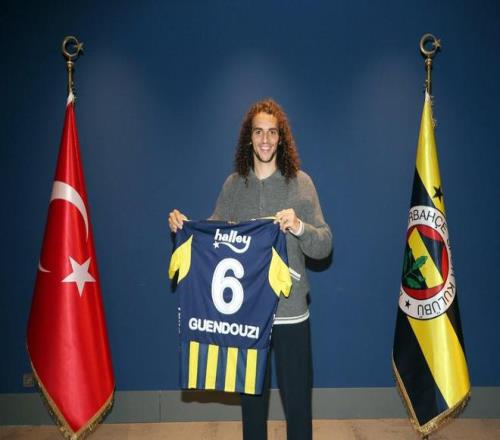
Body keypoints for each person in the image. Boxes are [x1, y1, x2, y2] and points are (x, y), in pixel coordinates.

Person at [168, 99, 332, 440]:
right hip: (247, 318)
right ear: (249, 138)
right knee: (252, 409)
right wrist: (184, 228)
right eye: (258, 132)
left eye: (272, 132)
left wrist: (299, 226)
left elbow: (324, 245)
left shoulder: (301, 184)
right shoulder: (234, 185)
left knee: (298, 406)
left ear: (281, 138)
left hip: (290, 314)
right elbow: (212, 235)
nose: (265, 140)